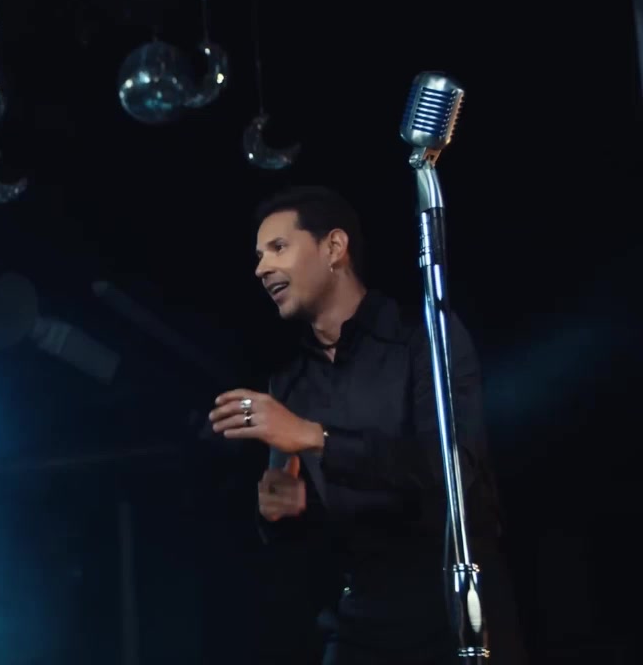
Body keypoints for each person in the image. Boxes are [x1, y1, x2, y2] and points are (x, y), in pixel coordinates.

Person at [208, 186, 525, 664]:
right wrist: (281, 511)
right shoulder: (289, 384)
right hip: (362, 612)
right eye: (258, 256)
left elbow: (454, 471)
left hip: (452, 602)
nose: (261, 268)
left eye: (278, 248)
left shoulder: (422, 338)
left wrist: (316, 437)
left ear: (334, 247)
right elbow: (307, 524)